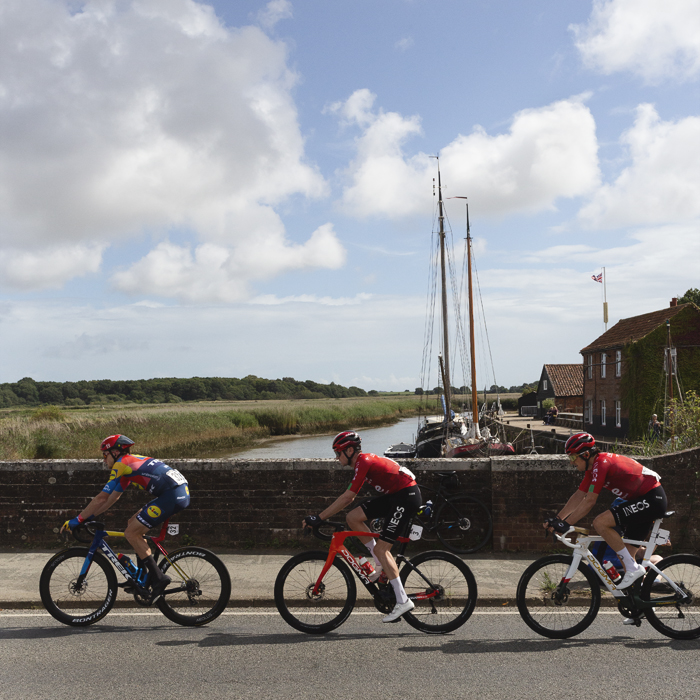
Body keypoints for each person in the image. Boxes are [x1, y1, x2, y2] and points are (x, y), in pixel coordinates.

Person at [302, 430, 422, 623]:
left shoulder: (363, 461)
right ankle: (379, 563)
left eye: (338, 452)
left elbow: (348, 497)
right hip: (396, 495)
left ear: (349, 450)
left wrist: (319, 517)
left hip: (405, 496)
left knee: (384, 549)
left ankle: (402, 600)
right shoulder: (361, 462)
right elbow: (351, 501)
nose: (336, 457)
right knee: (353, 517)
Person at [60, 434, 190, 600]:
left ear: (114, 452)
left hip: (172, 496)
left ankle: (159, 577)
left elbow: (101, 497)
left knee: (131, 533)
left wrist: (77, 520)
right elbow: (112, 498)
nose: (103, 460)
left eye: (104, 455)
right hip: (175, 493)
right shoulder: (129, 464)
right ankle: (142, 577)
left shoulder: (121, 464)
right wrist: (89, 517)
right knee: (132, 524)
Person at [545, 432, 667, 589]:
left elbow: (589, 501)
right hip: (642, 501)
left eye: (573, 457)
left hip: (652, 499)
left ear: (586, 454)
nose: (571, 462)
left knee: (600, 522)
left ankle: (633, 569)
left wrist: (566, 524)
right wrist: (558, 520)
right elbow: (579, 496)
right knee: (627, 556)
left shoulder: (602, 463)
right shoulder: (592, 468)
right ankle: (639, 607)